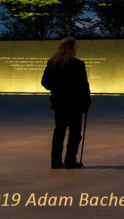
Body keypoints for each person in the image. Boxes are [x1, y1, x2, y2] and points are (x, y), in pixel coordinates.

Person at [40, 37, 91, 169]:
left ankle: (55, 162)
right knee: (74, 133)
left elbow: (45, 83)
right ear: (72, 48)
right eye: (76, 47)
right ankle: (70, 161)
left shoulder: (52, 63)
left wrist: (57, 88)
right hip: (75, 104)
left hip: (59, 103)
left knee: (59, 132)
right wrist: (87, 102)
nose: (77, 49)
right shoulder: (78, 64)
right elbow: (84, 86)